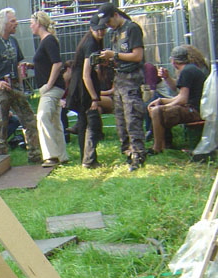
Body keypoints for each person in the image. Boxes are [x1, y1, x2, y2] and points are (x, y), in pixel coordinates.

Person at [0, 8, 42, 163]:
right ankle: (2, 160)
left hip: (14, 86)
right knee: (2, 125)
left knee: (29, 119)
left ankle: (35, 155)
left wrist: (21, 83)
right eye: (13, 21)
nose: (16, 23)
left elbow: (19, 62)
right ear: (4, 24)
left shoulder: (13, 41)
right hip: (0, 88)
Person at [97, 2, 146, 171]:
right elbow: (120, 57)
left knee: (132, 117)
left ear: (116, 15)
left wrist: (115, 54)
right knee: (120, 119)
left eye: (109, 22)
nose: (108, 26)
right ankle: (127, 152)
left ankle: (138, 155)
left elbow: (137, 56)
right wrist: (109, 59)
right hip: (119, 78)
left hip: (131, 78)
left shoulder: (132, 28)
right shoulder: (114, 33)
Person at [147, 45, 208, 154]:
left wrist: (164, 106)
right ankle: (165, 144)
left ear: (173, 61)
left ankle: (157, 147)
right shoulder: (191, 69)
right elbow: (181, 95)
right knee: (158, 108)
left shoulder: (187, 71)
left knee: (157, 111)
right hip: (196, 108)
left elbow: (182, 99)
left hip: (195, 111)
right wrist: (162, 101)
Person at [67, 14, 107, 168]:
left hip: (79, 87)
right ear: (91, 28)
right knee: (92, 123)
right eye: (98, 29)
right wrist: (95, 98)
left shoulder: (93, 41)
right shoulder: (91, 44)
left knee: (84, 123)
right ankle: (89, 160)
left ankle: (86, 159)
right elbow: (86, 74)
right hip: (83, 89)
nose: (101, 32)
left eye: (103, 29)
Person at [29, 11, 68, 168]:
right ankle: (61, 155)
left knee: (43, 117)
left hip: (52, 88)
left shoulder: (48, 41)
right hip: (54, 88)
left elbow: (57, 63)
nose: (31, 26)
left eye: (32, 23)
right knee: (54, 120)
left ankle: (51, 156)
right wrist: (32, 66)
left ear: (38, 23)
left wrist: (48, 85)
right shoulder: (46, 41)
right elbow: (47, 63)